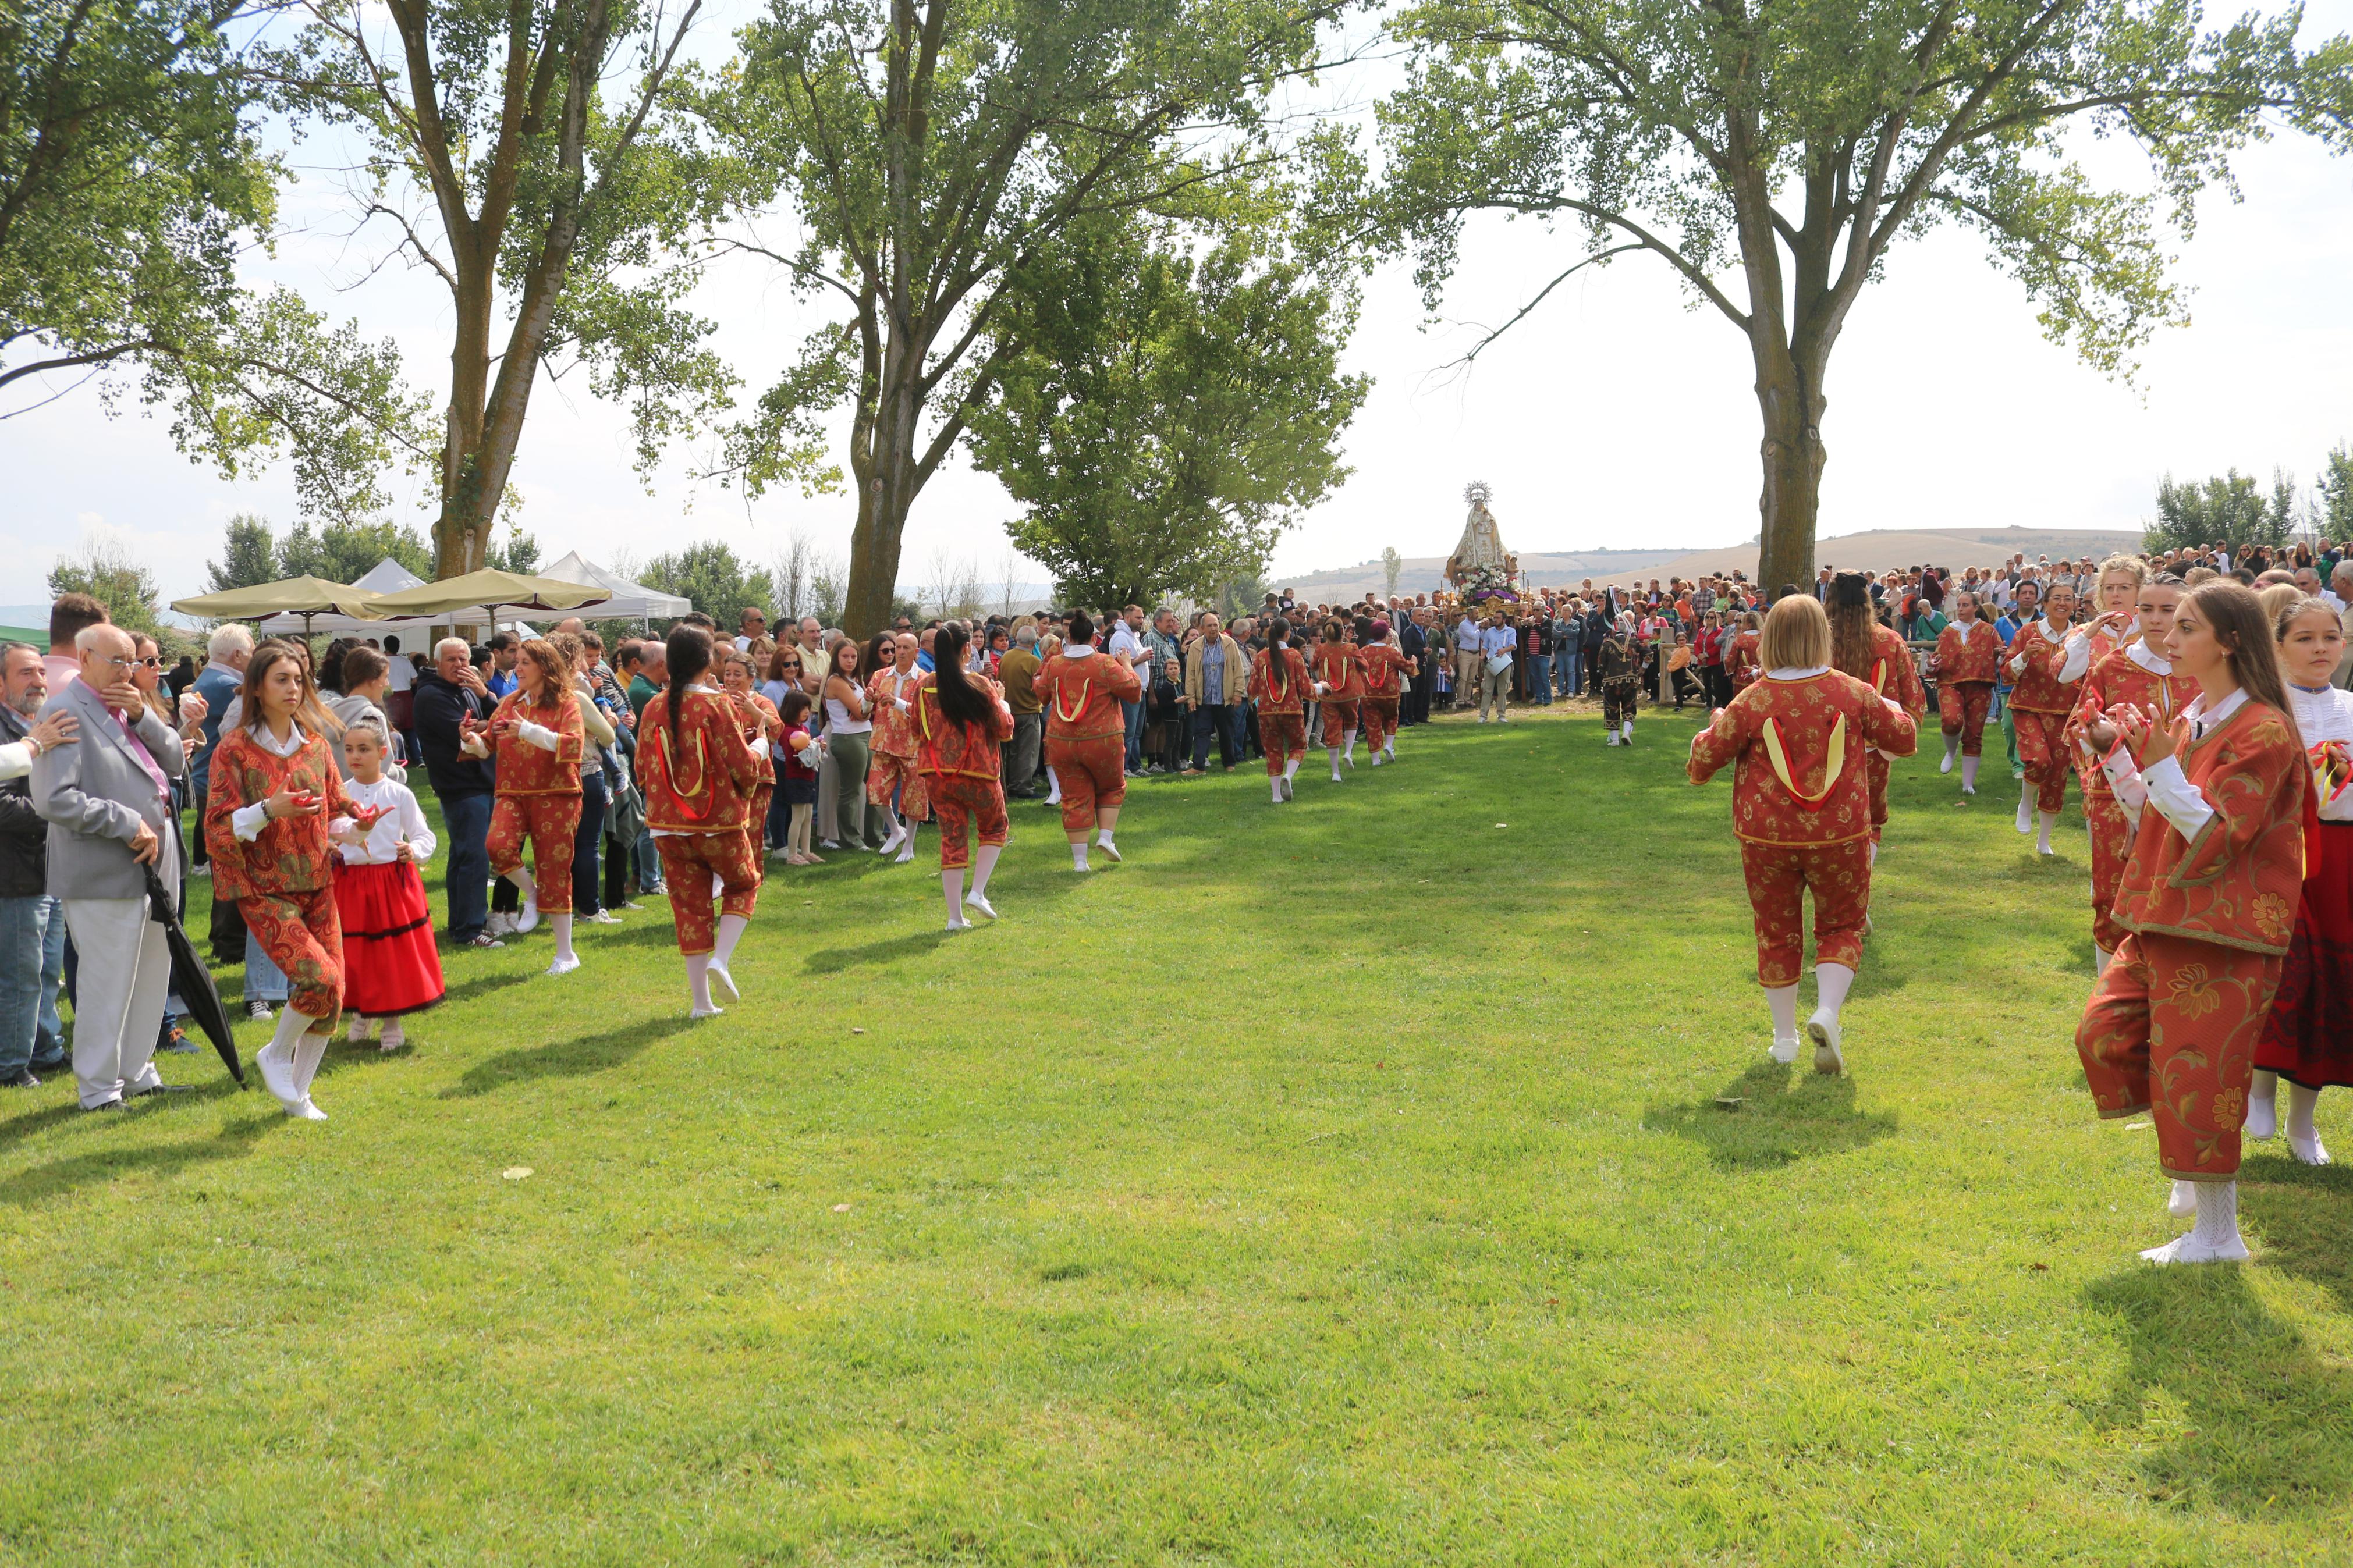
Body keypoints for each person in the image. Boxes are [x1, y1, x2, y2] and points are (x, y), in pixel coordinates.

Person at [2077, 582, 2309, 1263]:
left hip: (2224, 929)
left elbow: (2216, 832)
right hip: (2165, 917)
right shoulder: (2189, 719)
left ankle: (2216, 1234)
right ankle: (2189, 1153)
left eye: (2185, 626)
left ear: (2229, 640)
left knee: (2203, 1077)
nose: (2167, 637)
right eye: (2169, 624)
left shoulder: (2264, 728)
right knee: (2103, 1035)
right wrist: (2118, 753)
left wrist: (2155, 764)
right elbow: (2151, 813)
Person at [1686, 595, 1918, 1072]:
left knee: (1776, 930)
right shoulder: (1851, 692)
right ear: (1822, 636)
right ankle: (1828, 1011)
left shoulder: (1751, 700)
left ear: (1769, 638)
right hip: (1841, 832)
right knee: (1841, 925)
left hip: (1766, 836)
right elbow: (1904, 739)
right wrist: (1893, 712)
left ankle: (1783, 1039)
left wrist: (1708, 731)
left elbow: (1701, 765)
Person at [203, 640, 385, 1119]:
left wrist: (359, 825)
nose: (293, 688)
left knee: (332, 996)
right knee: (318, 977)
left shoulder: (316, 745)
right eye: (281, 679)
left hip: (317, 880)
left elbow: (335, 815)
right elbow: (217, 829)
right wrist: (269, 809)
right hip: (263, 887)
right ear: (257, 688)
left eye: (298, 679)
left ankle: (298, 1097)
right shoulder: (234, 750)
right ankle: (276, 1054)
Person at [30, 624, 196, 1111]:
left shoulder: (129, 706)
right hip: (104, 867)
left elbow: (174, 764)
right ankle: (99, 1089)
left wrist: (144, 714)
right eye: (118, 661)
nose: (129, 671)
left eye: (136, 662)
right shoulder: (64, 709)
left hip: (156, 858)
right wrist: (126, 822)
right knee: (107, 978)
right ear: (84, 658)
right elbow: (53, 799)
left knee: (152, 969)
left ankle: (137, 1070)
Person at [2246, 595, 2353, 1161]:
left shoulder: (2350, 709)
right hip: (2279, 855)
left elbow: (2336, 792)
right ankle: (2259, 1085)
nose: (2318, 648)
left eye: (2328, 638)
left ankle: (2303, 1122)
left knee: (2331, 985)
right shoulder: (2263, 707)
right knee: (2285, 972)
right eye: (2304, 638)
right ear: (2279, 646)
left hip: (2339, 859)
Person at [2064, 574, 2197, 974]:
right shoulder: (2112, 665)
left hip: (2189, 798)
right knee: (2112, 899)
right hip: (2117, 804)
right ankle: (2106, 1000)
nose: (2156, 619)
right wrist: (2102, 735)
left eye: (2167, 609)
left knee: (2178, 895)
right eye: (2147, 608)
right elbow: (2076, 727)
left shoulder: (2201, 667)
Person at [636, 626, 764, 1018]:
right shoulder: (717, 705)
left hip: (667, 826)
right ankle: (721, 959)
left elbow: (642, 768)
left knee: (689, 908)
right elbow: (742, 767)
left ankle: (700, 1003)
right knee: (743, 883)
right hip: (716, 822)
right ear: (708, 661)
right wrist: (760, 746)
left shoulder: (653, 707)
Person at [465, 637, 586, 977]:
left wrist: (530, 730)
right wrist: (469, 739)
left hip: (557, 793)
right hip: (512, 792)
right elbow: (486, 746)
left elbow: (573, 746)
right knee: (497, 846)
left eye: (524, 663)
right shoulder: (508, 703)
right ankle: (532, 894)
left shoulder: (567, 703)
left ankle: (566, 954)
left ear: (545, 669)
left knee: (555, 868)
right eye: (517, 662)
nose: (517, 669)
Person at [332, 718, 443, 1052]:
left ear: (383, 753)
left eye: (364, 749)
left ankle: (392, 1021)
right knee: (355, 952)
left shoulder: (399, 793)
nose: (355, 756)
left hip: (391, 883)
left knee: (391, 954)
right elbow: (327, 832)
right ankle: (363, 1010)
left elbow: (425, 835)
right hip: (350, 884)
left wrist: (414, 850)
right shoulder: (341, 795)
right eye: (349, 749)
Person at [0, 642, 78, 1087]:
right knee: (21, 975)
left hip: (50, 867)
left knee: (48, 970)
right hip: (14, 874)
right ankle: (11, 1066)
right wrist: (57, 812)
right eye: (25, 672)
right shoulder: (14, 733)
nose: (38, 681)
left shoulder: (42, 724)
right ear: (1, 682)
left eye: (41, 673)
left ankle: (45, 1050)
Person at [907, 623, 1014, 929]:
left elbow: (916, 728)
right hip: (978, 771)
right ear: (967, 649)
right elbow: (1004, 727)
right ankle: (978, 892)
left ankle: (955, 918)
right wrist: (1003, 700)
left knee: (952, 839)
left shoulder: (924, 686)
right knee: (995, 828)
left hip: (937, 775)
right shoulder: (981, 684)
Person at [1826, 573, 1925, 867]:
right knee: (1870, 817)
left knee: (1826, 813)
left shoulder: (1816, 640)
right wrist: (1900, 731)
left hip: (1822, 741)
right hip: (1874, 745)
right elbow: (1913, 695)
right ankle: (1861, 886)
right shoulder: (1889, 639)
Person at [1033, 611, 1141, 870]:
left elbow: (1041, 693)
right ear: (1094, 637)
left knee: (1073, 796)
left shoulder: (1055, 664)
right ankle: (1105, 837)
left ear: (1068, 637)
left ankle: (1080, 862)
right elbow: (1133, 690)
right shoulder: (1105, 663)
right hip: (1103, 740)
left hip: (1062, 742)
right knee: (1111, 787)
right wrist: (1127, 663)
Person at [2006, 581, 2082, 853]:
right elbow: (2006, 671)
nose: (2063, 603)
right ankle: (2025, 803)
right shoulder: (2028, 632)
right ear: (2045, 603)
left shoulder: (2082, 636)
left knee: (2058, 774)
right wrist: (2025, 655)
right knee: (2039, 760)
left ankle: (2044, 840)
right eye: (2057, 598)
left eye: (2068, 599)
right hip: (2029, 708)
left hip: (2066, 713)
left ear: (2075, 604)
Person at [866, 634, 931, 863]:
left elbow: (926, 712)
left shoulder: (925, 679)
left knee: (914, 798)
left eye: (906, 648)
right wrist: (867, 699)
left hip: (913, 746)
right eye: (897, 647)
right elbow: (864, 709)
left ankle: (909, 846)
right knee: (875, 792)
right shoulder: (880, 675)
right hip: (883, 743)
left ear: (916, 652)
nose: (900, 652)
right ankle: (896, 830)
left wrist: (898, 703)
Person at [1930, 591, 2002, 795]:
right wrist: (1932, 664)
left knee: (1974, 734)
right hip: (1951, 683)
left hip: (1980, 685)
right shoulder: (1948, 631)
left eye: (1965, 605)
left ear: (1976, 607)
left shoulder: (1988, 631)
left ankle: (1968, 784)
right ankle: (1951, 752)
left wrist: (2000, 656)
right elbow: (1937, 660)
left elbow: (2001, 658)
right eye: (1959, 605)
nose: (1960, 609)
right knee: (1951, 721)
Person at [819, 638, 878, 850]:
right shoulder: (836, 681)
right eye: (845, 656)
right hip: (848, 738)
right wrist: (865, 706)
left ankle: (874, 834)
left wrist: (865, 707)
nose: (850, 660)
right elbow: (862, 713)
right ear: (836, 658)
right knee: (851, 791)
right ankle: (851, 839)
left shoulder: (855, 680)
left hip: (865, 735)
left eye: (854, 656)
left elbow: (864, 712)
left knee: (875, 786)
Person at [1249, 617, 1313, 802]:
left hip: (1267, 712)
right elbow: (1306, 687)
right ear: (1288, 634)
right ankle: (1289, 775)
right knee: (1299, 746)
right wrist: (1322, 687)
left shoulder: (1261, 657)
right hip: (1292, 710)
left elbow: (1252, 688)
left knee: (1273, 751)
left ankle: (1276, 795)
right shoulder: (1294, 656)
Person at [1181, 613, 1249, 774]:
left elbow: (1238, 670)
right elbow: (1190, 674)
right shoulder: (1196, 647)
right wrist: (1191, 697)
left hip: (1225, 698)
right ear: (1203, 628)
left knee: (1226, 732)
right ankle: (1198, 766)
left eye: (1216, 625)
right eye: (1210, 626)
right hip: (1203, 698)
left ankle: (1229, 764)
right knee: (1201, 732)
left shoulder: (1229, 644)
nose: (1213, 629)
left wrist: (1238, 692)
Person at [1354, 617, 1415, 766]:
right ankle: (1389, 745)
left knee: (1372, 724)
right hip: (1390, 692)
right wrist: (1414, 662)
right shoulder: (1391, 652)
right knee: (1392, 717)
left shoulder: (1363, 651)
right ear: (1387, 634)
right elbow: (1407, 668)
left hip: (1368, 693)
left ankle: (1376, 759)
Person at [774, 690, 824, 865]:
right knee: (798, 816)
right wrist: (804, 753)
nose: (806, 712)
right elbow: (790, 757)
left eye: (808, 708)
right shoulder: (788, 730)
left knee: (808, 815)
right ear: (792, 708)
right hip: (796, 779)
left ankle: (806, 851)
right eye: (802, 708)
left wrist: (817, 747)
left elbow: (807, 749)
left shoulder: (803, 728)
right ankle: (792, 854)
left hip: (808, 777)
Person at [1312, 617, 1364, 780]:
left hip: (1329, 695)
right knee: (1351, 721)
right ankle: (1348, 752)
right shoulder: (1352, 647)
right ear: (1343, 631)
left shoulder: (1321, 649)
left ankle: (1335, 772)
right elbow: (1366, 666)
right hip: (1350, 693)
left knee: (1332, 730)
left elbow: (1313, 665)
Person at [999, 624, 1046, 798]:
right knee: (1029, 751)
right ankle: (1024, 787)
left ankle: (1011, 784)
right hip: (1029, 710)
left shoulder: (1006, 657)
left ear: (1017, 639)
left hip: (1010, 710)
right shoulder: (1033, 661)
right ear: (1034, 642)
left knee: (1013, 751)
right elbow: (1040, 687)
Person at [1598, 614, 1640, 744]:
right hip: (1630, 680)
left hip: (1612, 681)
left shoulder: (1607, 644)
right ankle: (1626, 733)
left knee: (1612, 708)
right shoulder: (1634, 642)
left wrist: (1604, 674)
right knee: (1629, 706)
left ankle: (1615, 740)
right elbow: (1648, 653)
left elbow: (1600, 663)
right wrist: (1641, 670)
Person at [1477, 611, 1516, 722]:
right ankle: (1483, 716)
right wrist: (1483, 656)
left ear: (1504, 620)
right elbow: (1485, 646)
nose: (1495, 620)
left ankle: (1502, 715)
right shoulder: (1489, 631)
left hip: (1504, 662)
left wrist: (1504, 650)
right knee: (1487, 689)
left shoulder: (1511, 631)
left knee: (1502, 690)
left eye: (1498, 618)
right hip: (1491, 662)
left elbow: (1513, 645)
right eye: (1495, 618)